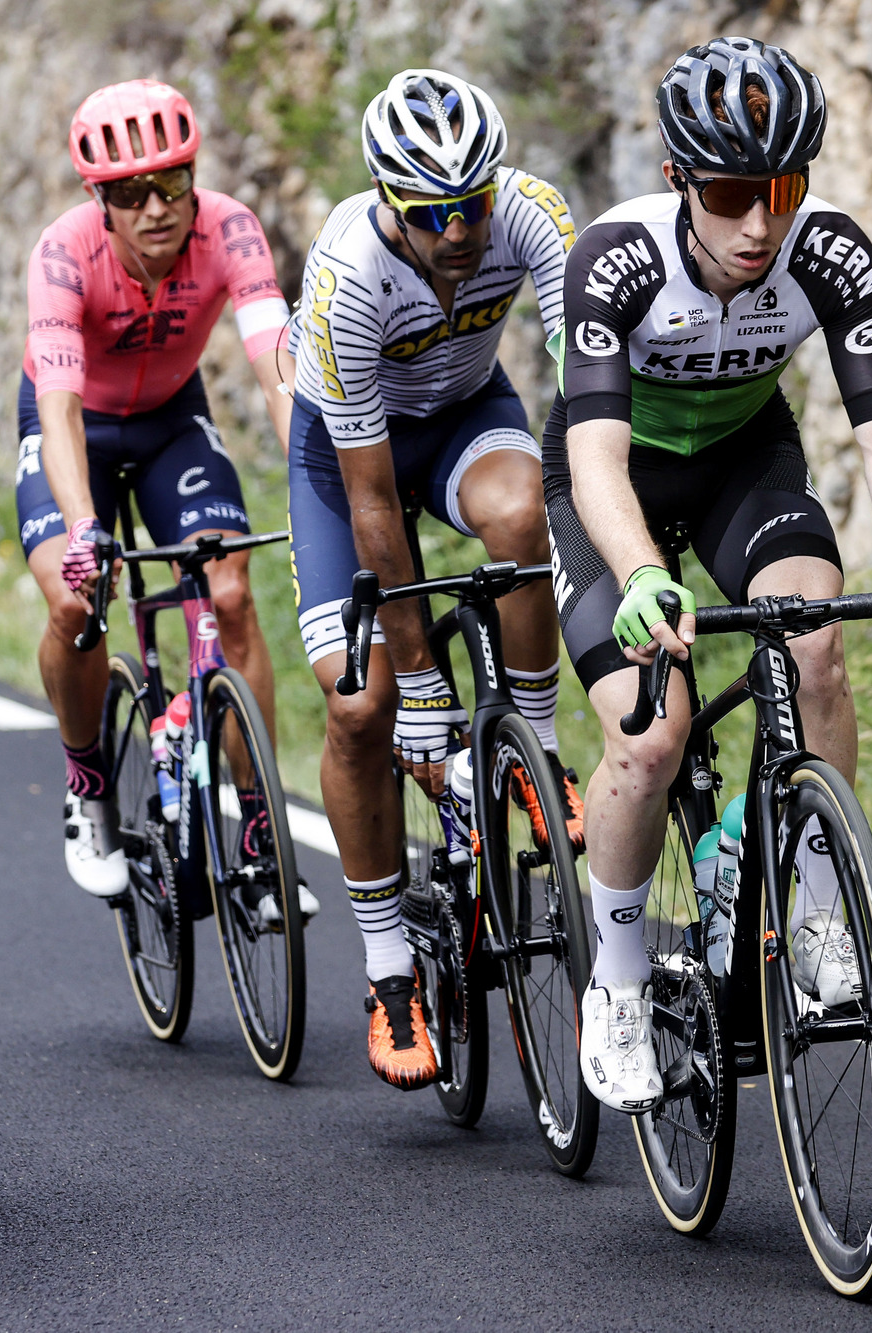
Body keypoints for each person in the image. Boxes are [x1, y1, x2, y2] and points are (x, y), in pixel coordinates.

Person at [552, 38, 872, 1112]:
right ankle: (612, 986)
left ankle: (809, 906)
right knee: (648, 735)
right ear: (677, 181)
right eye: (729, 192)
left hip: (744, 464)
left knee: (814, 644)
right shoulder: (614, 259)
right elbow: (594, 459)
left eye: (783, 188)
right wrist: (641, 574)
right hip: (608, 484)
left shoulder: (830, 253)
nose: (759, 222)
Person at [283, 69, 580, 1090]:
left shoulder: (530, 213)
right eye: (432, 213)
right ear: (387, 201)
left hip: (461, 414)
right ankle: (387, 969)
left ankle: (533, 755)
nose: (459, 230)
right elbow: (374, 507)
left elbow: (588, 376)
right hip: (346, 462)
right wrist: (418, 686)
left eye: (473, 204)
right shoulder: (345, 280)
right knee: (358, 704)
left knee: (519, 513)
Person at [20, 79, 300, 902]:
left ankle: (257, 828)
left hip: (173, 418)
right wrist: (82, 526)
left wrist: (323, 486)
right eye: (129, 193)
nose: (155, 208)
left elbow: (276, 366)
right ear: (98, 198)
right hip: (76, 431)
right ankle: (88, 785)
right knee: (75, 607)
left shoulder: (232, 229)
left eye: (172, 184)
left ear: (193, 179)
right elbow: (59, 408)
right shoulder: (64, 252)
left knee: (233, 589)